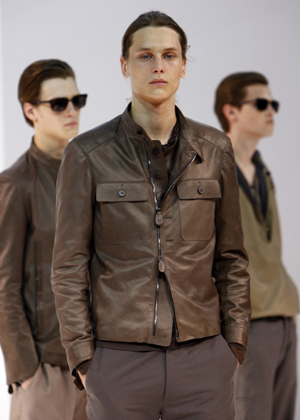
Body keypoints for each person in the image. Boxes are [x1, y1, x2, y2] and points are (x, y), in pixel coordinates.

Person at [51, 12, 251, 420]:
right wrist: (85, 360)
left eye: (169, 55)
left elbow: (232, 257)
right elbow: (67, 266)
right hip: (116, 363)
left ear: (182, 65)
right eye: (145, 55)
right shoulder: (86, 154)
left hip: (205, 361)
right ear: (124, 65)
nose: (158, 65)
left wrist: (234, 345)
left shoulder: (214, 149)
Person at [0, 59, 88, 420]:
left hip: (98, 367)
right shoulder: (16, 184)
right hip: (46, 371)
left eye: (77, 100)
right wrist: (25, 371)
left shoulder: (91, 174)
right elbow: (5, 284)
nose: (71, 111)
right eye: (59, 103)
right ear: (30, 110)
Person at [214, 72, 299, 420]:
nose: (271, 112)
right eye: (261, 104)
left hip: (282, 318)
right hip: (247, 322)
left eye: (273, 104)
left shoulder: (262, 171)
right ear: (231, 111)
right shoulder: (213, 170)